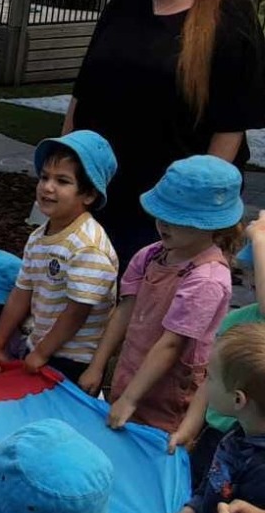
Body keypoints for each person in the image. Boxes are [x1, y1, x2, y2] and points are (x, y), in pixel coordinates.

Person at [65, 0, 265, 269]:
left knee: (150, 320)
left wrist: (198, 210)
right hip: (100, 195)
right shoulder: (127, 2)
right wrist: (64, 173)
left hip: (172, 214)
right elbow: (83, 94)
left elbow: (230, 126)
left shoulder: (230, 14)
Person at [80, 156, 240, 432]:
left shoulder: (208, 280)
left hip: (170, 391)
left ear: (211, 225)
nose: (163, 225)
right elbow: (125, 309)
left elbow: (172, 344)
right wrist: (98, 364)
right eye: (161, 216)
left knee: (154, 450)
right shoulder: (151, 254)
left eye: (176, 220)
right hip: (132, 370)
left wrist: (130, 398)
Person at [0, 131, 119, 383]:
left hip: (75, 359)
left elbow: (77, 311)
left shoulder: (88, 247)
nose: (48, 187)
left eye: (62, 181)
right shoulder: (38, 237)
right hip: (40, 346)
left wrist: (41, 353)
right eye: (44, 177)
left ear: (89, 195)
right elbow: (21, 292)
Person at [160, 322, 265, 513]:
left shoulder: (260, 469)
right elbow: (216, 481)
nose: (204, 381)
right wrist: (191, 511)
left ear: (238, 399)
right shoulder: (239, 431)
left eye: (211, 377)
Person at [168, 214, 265, 479]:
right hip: (216, 436)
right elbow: (210, 379)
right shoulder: (236, 319)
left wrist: (258, 239)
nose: (254, 283)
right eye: (251, 274)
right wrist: (190, 427)